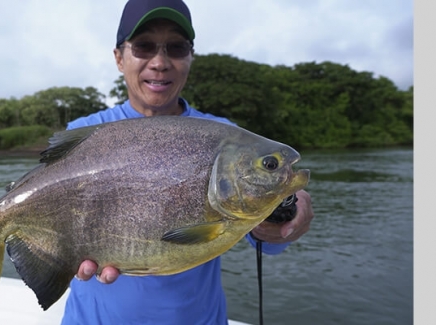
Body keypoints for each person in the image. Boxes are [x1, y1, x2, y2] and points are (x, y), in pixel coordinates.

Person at [61, 0, 315, 324]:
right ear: (119, 58)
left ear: (190, 57)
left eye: (177, 48)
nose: (160, 62)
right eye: (144, 46)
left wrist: (286, 209)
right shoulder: (83, 133)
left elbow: (266, 237)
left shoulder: (227, 137)